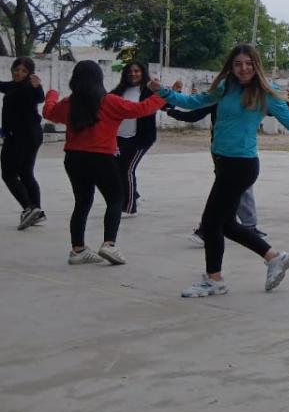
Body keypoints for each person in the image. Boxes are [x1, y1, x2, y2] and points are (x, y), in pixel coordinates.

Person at [156, 44, 289, 298]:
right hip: (223, 161)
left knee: (211, 223)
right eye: (238, 63)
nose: (243, 68)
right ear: (231, 66)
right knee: (226, 224)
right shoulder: (225, 87)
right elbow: (193, 102)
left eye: (248, 63)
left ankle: (214, 280)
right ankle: (274, 257)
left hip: (241, 165)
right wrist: (162, 92)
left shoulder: (267, 94)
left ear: (256, 65)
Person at [42, 61, 166, 264]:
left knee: (82, 203)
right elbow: (142, 109)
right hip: (101, 157)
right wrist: (164, 95)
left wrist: (52, 93)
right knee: (116, 199)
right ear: (99, 78)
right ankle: (109, 244)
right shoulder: (109, 101)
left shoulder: (69, 103)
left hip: (73, 158)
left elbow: (48, 112)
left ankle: (78, 250)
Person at [165, 104, 264, 244]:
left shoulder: (249, 96)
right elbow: (194, 114)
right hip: (223, 152)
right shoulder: (220, 96)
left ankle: (246, 225)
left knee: (236, 190)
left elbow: (271, 109)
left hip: (243, 152)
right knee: (225, 192)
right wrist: (171, 111)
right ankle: (206, 230)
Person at [111, 61, 169, 218]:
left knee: (127, 169)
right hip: (119, 137)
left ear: (143, 73)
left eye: (137, 71)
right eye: (130, 71)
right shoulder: (119, 91)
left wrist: (164, 90)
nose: (133, 74)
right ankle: (134, 196)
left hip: (142, 138)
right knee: (116, 170)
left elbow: (165, 104)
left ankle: (130, 208)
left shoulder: (149, 90)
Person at [1, 57, 46, 229]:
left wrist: (38, 87)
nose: (19, 73)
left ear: (30, 73)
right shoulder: (13, 86)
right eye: (16, 69)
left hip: (21, 137)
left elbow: (39, 97)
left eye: (24, 71)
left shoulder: (29, 87)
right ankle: (37, 212)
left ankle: (29, 208)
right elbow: (2, 85)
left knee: (8, 174)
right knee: (26, 173)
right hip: (32, 135)